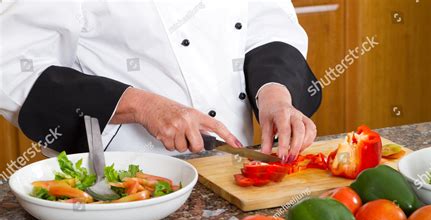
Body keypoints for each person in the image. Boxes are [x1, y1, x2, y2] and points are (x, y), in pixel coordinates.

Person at [0, 0, 321, 163]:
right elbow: (12, 65)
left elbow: (267, 21)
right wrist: (141, 106)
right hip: (122, 187)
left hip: (232, 171)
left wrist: (276, 95)